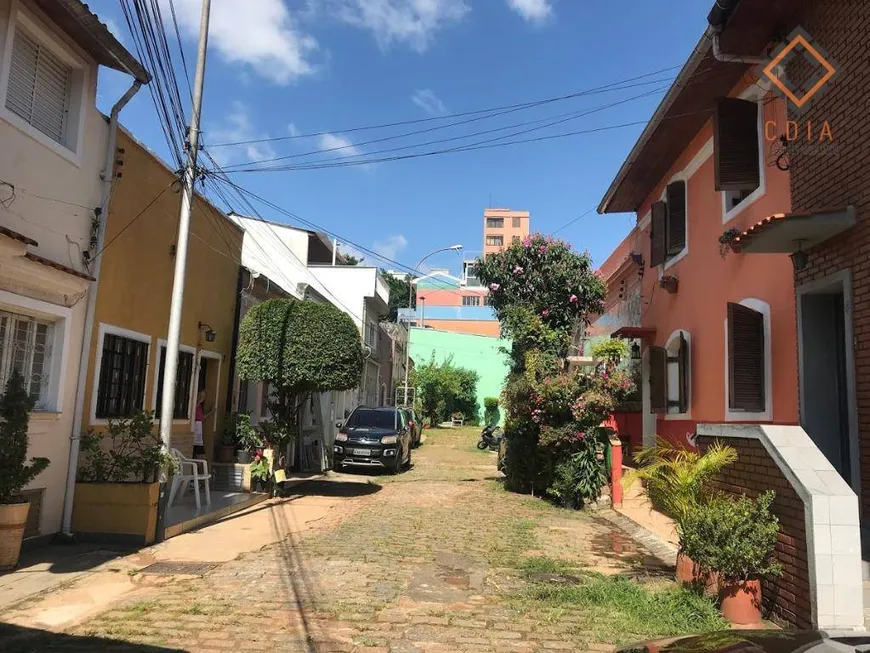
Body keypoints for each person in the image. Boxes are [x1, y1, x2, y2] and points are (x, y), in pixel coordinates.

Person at [193, 390, 213, 459]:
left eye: (204, 397)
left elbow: (201, 417)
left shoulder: (200, 406)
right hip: (195, 428)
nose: (202, 398)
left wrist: (211, 412)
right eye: (201, 396)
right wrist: (198, 401)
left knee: (200, 454)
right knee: (197, 452)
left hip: (199, 429)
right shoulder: (194, 404)